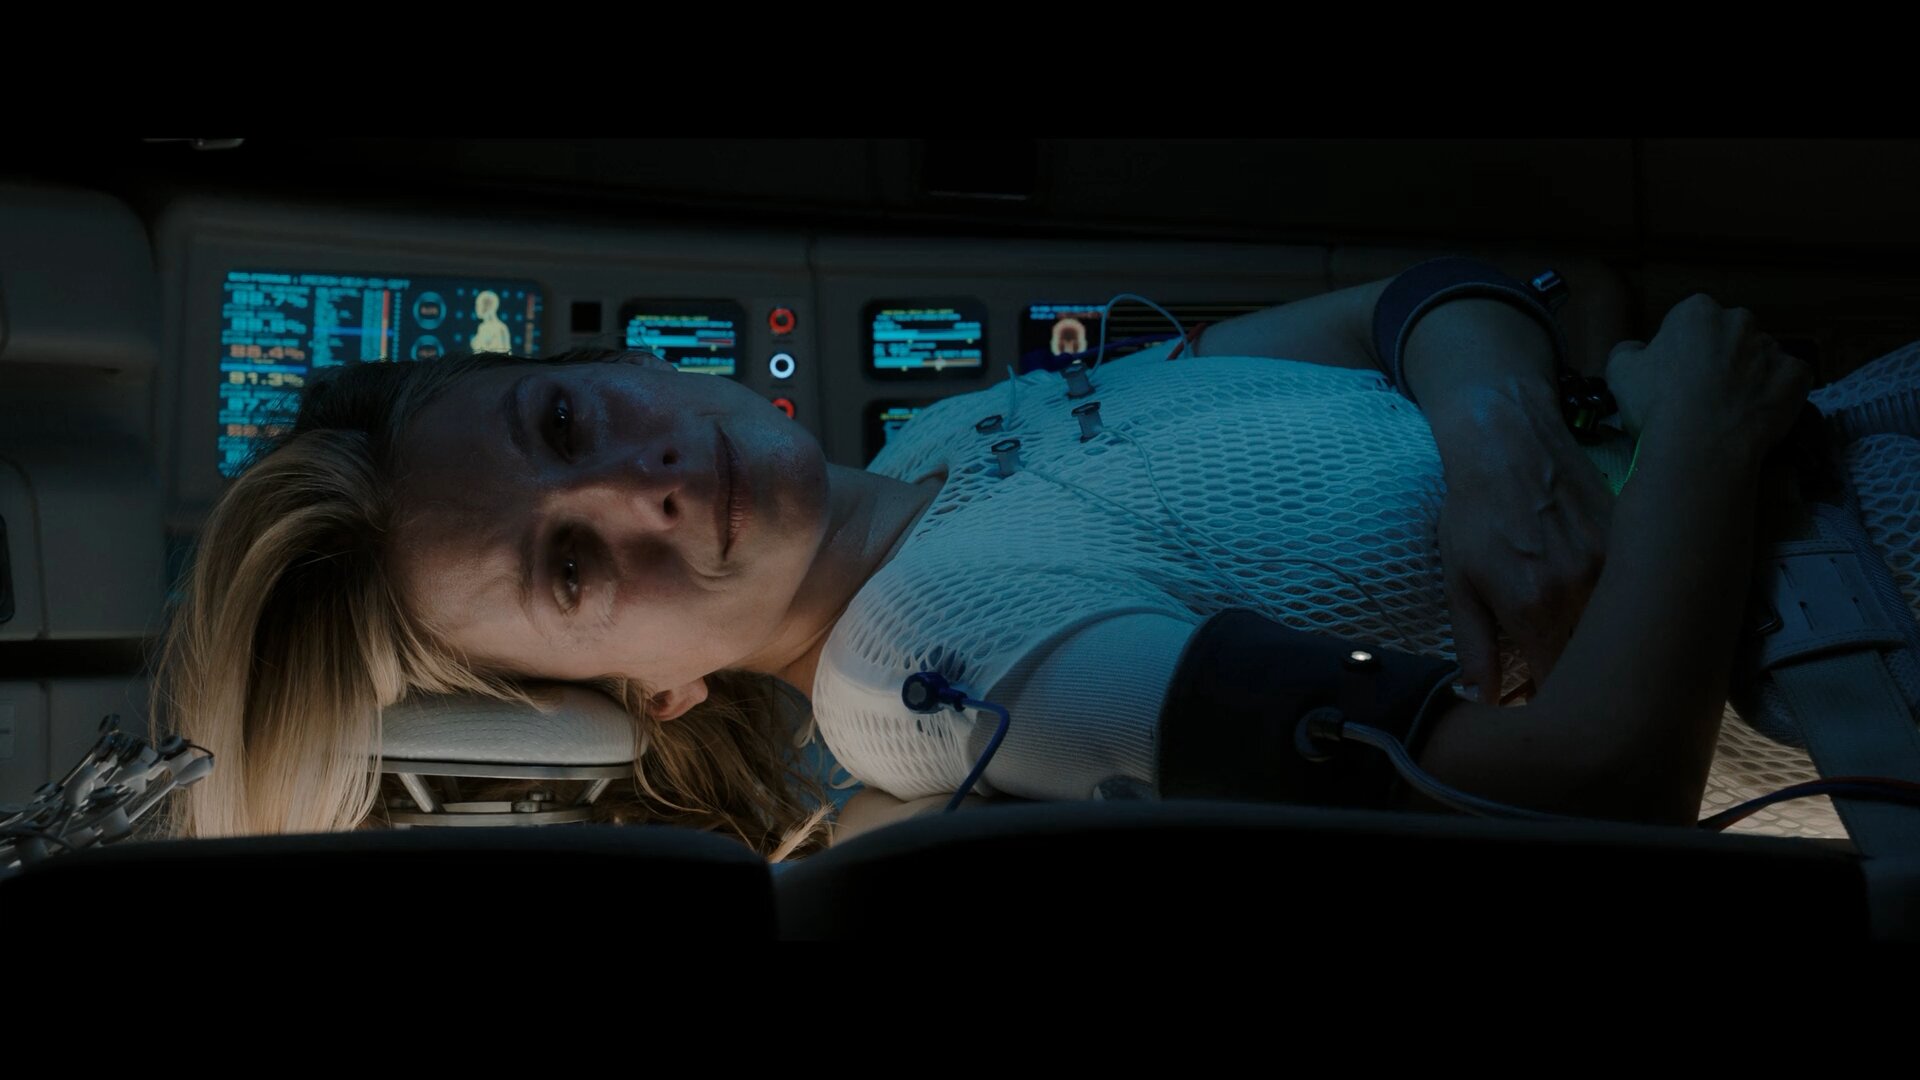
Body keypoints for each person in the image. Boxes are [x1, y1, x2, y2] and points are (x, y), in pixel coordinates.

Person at [155, 268, 1914, 860]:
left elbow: (1406, 302)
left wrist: (1492, 423)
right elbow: (1586, 794)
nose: (637, 481)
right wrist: (1699, 433)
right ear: (651, 694)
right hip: (1862, 626)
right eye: (569, 569)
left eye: (561, 419)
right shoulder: (941, 668)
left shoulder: (947, 443)